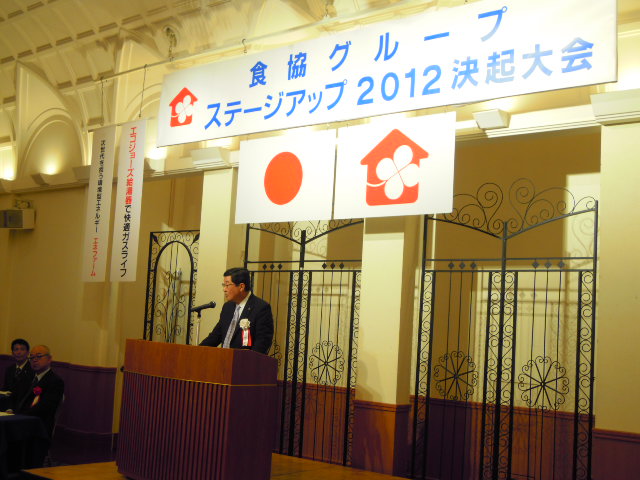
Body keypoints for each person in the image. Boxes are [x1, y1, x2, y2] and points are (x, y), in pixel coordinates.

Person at [200, 267, 274, 355]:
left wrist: (248, 360)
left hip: (244, 361)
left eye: (227, 285)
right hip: (223, 359)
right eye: (224, 285)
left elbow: (262, 343)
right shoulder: (227, 307)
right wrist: (196, 351)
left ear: (241, 287)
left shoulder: (261, 308)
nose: (224, 289)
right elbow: (215, 336)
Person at [16, 345, 65, 438]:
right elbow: (19, 398)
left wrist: (19, 416)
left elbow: (44, 408)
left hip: (38, 426)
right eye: (31, 357)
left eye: (39, 356)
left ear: (49, 359)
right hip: (21, 420)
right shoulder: (28, 378)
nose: (34, 360)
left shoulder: (55, 381)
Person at [2, 338, 34, 411]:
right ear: (12, 353)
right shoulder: (9, 369)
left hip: (24, 408)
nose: (19, 352)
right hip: (7, 406)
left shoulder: (33, 369)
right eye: (16, 349)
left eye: (22, 349)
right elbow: (5, 390)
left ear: (28, 352)